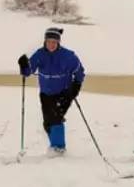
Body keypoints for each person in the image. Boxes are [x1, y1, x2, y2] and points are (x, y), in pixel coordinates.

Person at [17, 27, 84, 155]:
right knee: (47, 123)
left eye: (54, 42)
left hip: (64, 93)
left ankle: (58, 148)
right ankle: (56, 145)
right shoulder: (40, 54)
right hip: (46, 94)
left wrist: (75, 87)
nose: (51, 45)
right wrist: (24, 65)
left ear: (58, 42)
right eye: (49, 42)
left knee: (56, 117)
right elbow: (28, 72)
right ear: (45, 41)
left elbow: (79, 72)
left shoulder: (68, 56)